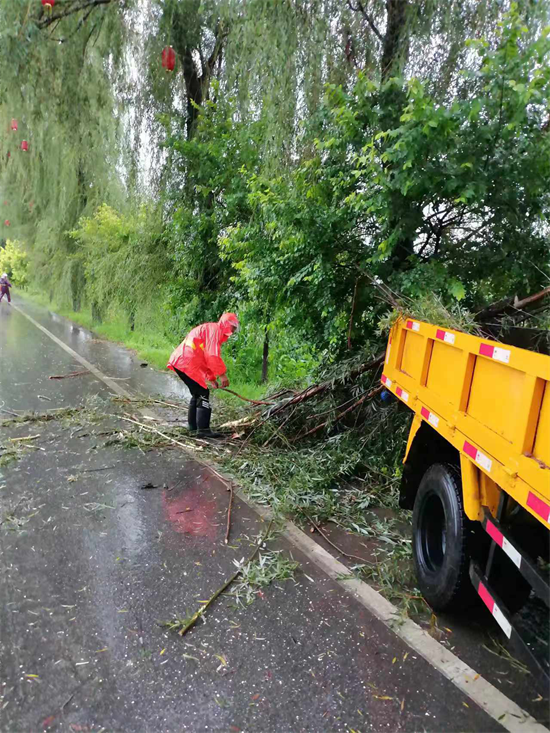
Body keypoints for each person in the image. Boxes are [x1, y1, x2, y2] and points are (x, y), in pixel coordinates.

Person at [167, 312, 240, 438]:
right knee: (202, 393)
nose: (233, 331)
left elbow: (205, 357)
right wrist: (222, 375)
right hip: (187, 363)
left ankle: (193, 428)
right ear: (226, 324)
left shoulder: (211, 329)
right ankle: (203, 430)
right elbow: (212, 356)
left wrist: (211, 378)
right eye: (232, 327)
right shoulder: (215, 331)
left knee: (197, 394)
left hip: (183, 362)